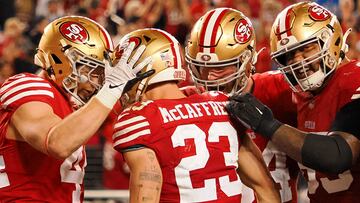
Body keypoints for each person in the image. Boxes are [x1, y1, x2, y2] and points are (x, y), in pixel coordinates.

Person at [112, 28, 280, 203]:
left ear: (144, 71)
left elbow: (146, 194)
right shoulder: (222, 105)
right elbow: (266, 188)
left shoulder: (141, 119)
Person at [0, 16, 153, 202]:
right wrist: (111, 89)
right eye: (92, 72)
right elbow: (57, 143)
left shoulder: (72, 107)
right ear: (61, 60)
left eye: (102, 75)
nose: (97, 83)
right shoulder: (27, 85)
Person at [226, 2, 360, 202]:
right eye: (288, 56)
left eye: (306, 48)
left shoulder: (354, 80)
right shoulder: (300, 93)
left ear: (331, 41)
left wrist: (268, 125)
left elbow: (337, 155)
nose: (297, 61)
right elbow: (248, 86)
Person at [184, 7, 299, 203]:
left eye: (219, 68)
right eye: (200, 67)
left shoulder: (282, 90)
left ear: (246, 61)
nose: (209, 77)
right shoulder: (186, 100)